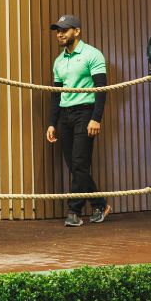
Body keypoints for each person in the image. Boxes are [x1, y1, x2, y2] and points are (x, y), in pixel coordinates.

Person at [46, 15, 109, 227]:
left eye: (65, 30)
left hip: (85, 112)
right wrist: (52, 123)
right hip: (65, 115)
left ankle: (74, 211)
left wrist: (96, 119)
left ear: (77, 31)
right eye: (58, 30)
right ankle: (100, 204)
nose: (61, 34)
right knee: (75, 165)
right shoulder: (59, 60)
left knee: (80, 163)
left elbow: (101, 89)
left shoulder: (93, 54)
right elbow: (56, 94)